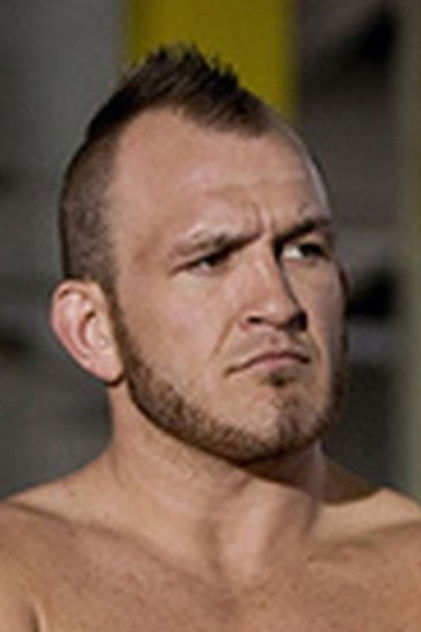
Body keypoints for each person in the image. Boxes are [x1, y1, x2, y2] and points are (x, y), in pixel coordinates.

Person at [0, 44, 420, 631]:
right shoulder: (19, 577)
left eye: (304, 251)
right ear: (93, 330)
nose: (278, 304)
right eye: (210, 259)